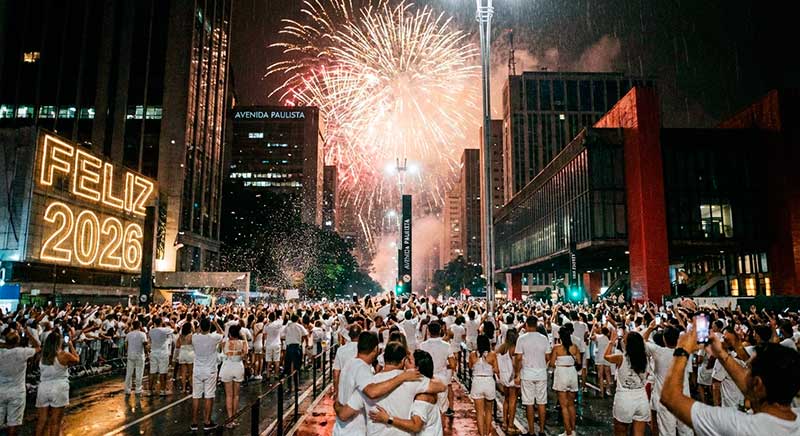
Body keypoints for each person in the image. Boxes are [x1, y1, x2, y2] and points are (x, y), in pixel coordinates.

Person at [661, 321, 800, 435]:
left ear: (757, 383)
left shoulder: (740, 426)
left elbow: (670, 397)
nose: (745, 375)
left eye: (749, 372)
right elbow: (749, 386)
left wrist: (682, 349)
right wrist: (721, 354)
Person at [338, 341, 446, 436]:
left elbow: (343, 415)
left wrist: (336, 404)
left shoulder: (367, 385)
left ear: (384, 358)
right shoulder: (412, 380)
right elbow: (441, 386)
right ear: (403, 361)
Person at [369, 349, 444, 436]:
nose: (405, 362)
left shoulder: (423, 396)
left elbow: (416, 426)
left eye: (409, 360)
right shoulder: (424, 387)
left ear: (416, 369)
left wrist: (387, 419)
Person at [642, 322, 692, 436]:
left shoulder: (658, 352)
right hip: (684, 399)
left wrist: (650, 328)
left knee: (667, 432)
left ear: (664, 340)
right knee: (686, 432)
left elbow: (643, 342)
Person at [604, 328, 650, 436]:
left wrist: (611, 341)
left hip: (625, 398)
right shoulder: (645, 358)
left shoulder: (620, 357)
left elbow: (606, 356)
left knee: (621, 432)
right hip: (641, 398)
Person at [35, 327, 79, 436]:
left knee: (41, 421)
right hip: (59, 387)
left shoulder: (42, 356)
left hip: (43, 387)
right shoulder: (63, 355)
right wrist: (71, 345)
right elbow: (77, 359)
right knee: (55, 422)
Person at [514, 315, 551, 436]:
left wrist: (517, 374)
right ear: (536, 325)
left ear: (526, 325)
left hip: (527, 373)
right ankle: (541, 430)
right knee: (541, 403)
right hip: (541, 373)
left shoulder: (522, 339)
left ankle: (531, 431)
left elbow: (518, 358)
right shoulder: (544, 338)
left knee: (529, 403)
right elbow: (547, 357)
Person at [0, 328, 40, 436]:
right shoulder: (22, 352)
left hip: (1, 389)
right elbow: (37, 347)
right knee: (13, 423)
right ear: (18, 341)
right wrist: (28, 334)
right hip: (17, 392)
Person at [191, 316, 224, 432]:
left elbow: (194, 333)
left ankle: (194, 422)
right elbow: (222, 333)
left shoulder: (195, 338)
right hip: (210, 370)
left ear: (200, 327)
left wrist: (198, 327)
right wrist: (215, 323)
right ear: (209, 327)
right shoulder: (213, 337)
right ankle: (207, 421)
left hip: (197, 370)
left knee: (196, 396)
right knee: (209, 396)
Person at [419, 320, 456, 417]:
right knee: (441, 410)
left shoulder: (422, 346)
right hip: (441, 380)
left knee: (426, 411)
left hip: (426, 380)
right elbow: (453, 364)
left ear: (429, 332)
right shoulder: (446, 346)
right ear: (440, 331)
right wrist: (444, 365)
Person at [549, 326, 580, 436]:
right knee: (571, 404)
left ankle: (568, 432)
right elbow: (579, 362)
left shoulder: (557, 348)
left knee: (564, 406)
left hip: (561, 374)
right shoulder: (575, 347)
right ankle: (573, 430)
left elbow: (552, 363)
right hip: (572, 373)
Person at [469, 335, 499, 436]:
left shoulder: (472, 354)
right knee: (489, 410)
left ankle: (482, 434)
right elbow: (496, 370)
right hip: (489, 382)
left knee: (479, 412)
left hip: (477, 382)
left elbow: (470, 366)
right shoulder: (492, 354)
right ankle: (487, 432)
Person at [220, 324, 248, 428]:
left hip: (227, 367)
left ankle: (229, 419)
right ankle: (234, 419)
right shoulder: (242, 343)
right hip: (238, 367)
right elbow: (246, 353)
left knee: (228, 395)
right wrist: (244, 337)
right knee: (236, 395)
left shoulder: (225, 343)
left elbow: (222, 348)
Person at [497, 328, 520, 435]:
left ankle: (505, 422)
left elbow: (495, 356)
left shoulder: (502, 347)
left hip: (504, 376)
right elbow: (515, 363)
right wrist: (517, 375)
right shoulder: (514, 348)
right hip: (512, 377)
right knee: (513, 400)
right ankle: (510, 425)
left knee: (506, 399)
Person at [333, 324, 361, 399]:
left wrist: (336, 390)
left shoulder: (341, 350)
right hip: (360, 385)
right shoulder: (364, 349)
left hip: (344, 385)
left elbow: (336, 373)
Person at [148, 316, 174, 396]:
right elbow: (174, 329)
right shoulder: (164, 330)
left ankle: (150, 390)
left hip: (153, 352)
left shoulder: (151, 331)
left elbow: (150, 340)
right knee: (163, 372)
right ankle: (162, 390)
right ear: (161, 323)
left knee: (152, 372)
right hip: (163, 353)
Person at [284, 314, 308, 388]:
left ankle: (289, 386)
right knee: (297, 367)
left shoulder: (287, 326)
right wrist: (305, 343)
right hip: (297, 347)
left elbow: (282, 334)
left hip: (289, 347)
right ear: (297, 319)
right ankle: (296, 386)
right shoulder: (300, 326)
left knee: (288, 367)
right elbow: (305, 335)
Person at [124, 320, 148, 395]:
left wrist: (127, 351)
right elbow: (145, 344)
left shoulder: (129, 334)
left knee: (129, 372)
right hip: (139, 355)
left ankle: (127, 389)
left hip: (130, 354)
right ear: (139, 326)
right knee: (139, 372)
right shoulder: (142, 334)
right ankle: (138, 389)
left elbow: (126, 344)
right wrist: (147, 353)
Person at [592, 324, 613, 397]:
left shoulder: (598, 337)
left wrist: (594, 330)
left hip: (599, 357)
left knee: (600, 375)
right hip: (607, 357)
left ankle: (601, 392)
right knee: (607, 374)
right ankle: (608, 390)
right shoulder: (608, 340)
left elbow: (591, 337)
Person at [176, 322, 195, 394]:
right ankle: (191, 388)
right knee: (191, 372)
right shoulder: (191, 336)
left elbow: (177, 345)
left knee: (183, 373)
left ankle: (183, 389)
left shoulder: (180, 336)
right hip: (190, 353)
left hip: (182, 353)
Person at [264, 311, 283, 381]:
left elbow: (264, 335)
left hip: (269, 344)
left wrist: (264, 344)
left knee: (268, 360)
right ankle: (276, 374)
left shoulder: (266, 325)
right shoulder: (278, 324)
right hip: (277, 343)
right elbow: (282, 319)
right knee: (276, 360)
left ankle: (268, 375)